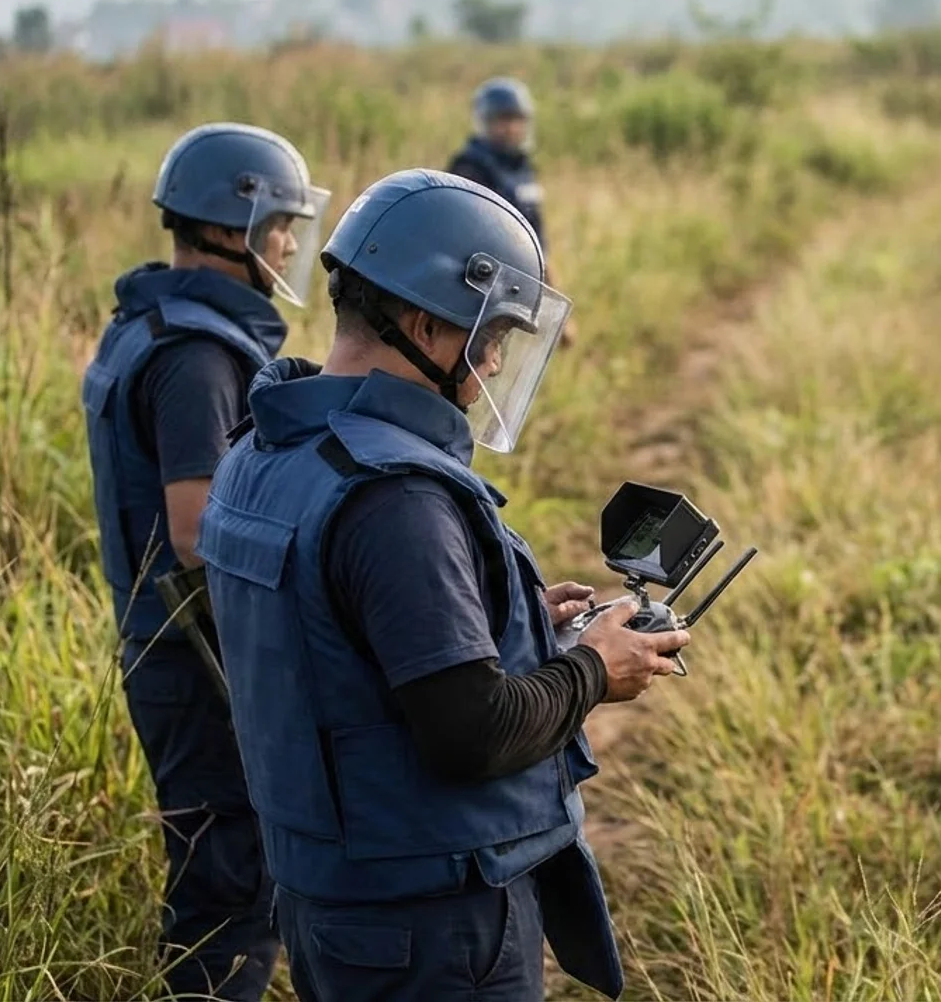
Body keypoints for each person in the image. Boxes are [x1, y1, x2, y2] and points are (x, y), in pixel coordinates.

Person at [195, 168, 687, 1000]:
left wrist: (508, 620)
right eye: (490, 333)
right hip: (430, 928)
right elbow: (470, 732)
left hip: (331, 902)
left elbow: (326, 634)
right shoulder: (395, 495)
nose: (495, 357)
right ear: (424, 323)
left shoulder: (263, 451)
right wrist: (596, 669)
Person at [81, 121, 331, 999]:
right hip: (195, 658)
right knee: (229, 890)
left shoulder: (152, 320)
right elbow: (197, 532)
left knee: (219, 874)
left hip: (165, 647)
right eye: (281, 225)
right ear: (234, 226)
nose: (291, 243)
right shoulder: (196, 356)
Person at [447, 76, 577, 350]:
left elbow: (538, 245)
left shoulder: (522, 168)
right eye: (502, 120)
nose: (511, 128)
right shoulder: (471, 168)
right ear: (485, 121)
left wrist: (558, 312)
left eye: (517, 120)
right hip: (481, 296)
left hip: (521, 292)